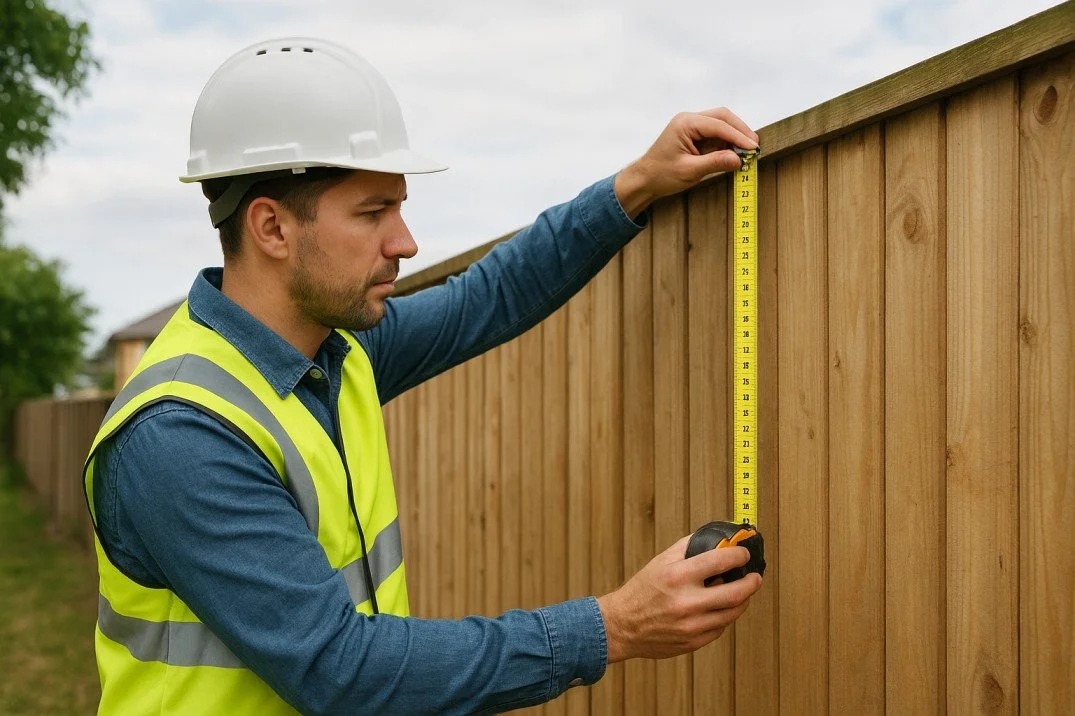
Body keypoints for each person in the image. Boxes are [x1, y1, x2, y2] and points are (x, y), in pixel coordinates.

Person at [83, 36, 763, 715]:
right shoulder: (182, 435)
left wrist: (637, 183)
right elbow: (341, 670)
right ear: (272, 228)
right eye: (373, 212)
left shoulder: (338, 353)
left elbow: (488, 296)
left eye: (399, 208)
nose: (405, 242)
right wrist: (612, 626)